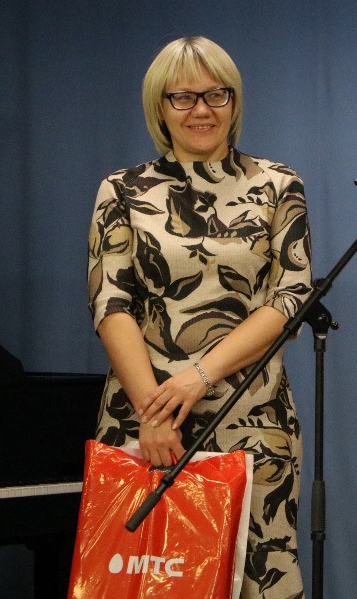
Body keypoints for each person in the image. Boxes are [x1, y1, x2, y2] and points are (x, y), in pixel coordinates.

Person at [87, 36, 312, 598]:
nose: (202, 110)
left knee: (260, 579)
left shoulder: (278, 185)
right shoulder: (121, 190)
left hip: (252, 417)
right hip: (146, 422)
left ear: (234, 102)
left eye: (216, 94)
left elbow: (290, 298)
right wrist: (154, 410)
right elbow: (110, 302)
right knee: (145, 580)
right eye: (183, 97)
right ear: (159, 107)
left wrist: (199, 377)